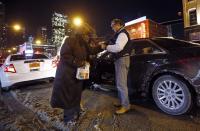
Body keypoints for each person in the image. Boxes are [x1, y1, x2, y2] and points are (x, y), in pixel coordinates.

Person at [50, 25, 98, 124]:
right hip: (68, 74)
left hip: (77, 74)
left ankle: (76, 113)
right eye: (87, 35)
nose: (88, 38)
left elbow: (91, 50)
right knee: (68, 97)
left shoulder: (83, 43)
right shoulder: (70, 40)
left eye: (89, 36)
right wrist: (80, 62)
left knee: (76, 95)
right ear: (82, 34)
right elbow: (65, 55)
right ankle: (68, 119)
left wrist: (102, 46)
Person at [99, 18, 131, 114]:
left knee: (121, 84)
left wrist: (106, 47)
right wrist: (106, 44)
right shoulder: (119, 34)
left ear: (119, 24)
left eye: (113, 25)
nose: (112, 27)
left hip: (122, 59)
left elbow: (118, 47)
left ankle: (126, 106)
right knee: (119, 83)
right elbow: (113, 42)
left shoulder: (122, 34)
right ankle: (122, 102)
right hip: (120, 60)